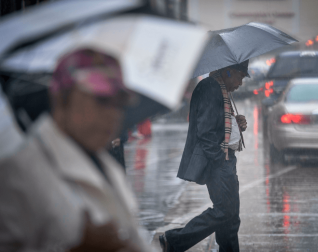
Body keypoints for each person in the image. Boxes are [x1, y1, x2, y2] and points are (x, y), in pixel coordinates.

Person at [0, 49, 153, 252]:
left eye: (119, 104)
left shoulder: (108, 167)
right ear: (61, 98)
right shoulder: (17, 173)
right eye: (101, 100)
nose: (113, 115)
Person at [159, 61, 249, 252]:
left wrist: (236, 122)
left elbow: (217, 125)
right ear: (228, 71)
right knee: (225, 211)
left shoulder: (220, 89)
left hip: (224, 159)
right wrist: (219, 159)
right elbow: (205, 131)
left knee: (231, 215)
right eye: (240, 76)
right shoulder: (210, 87)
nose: (241, 82)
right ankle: (173, 241)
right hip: (218, 161)